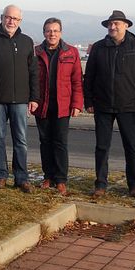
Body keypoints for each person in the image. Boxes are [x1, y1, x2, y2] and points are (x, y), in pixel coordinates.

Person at [83, 10, 135, 198]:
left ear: (126, 25)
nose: (113, 27)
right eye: (110, 24)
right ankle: (101, 184)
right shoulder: (98, 47)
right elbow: (89, 76)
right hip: (102, 105)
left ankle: (134, 185)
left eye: (117, 24)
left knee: (132, 146)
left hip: (128, 106)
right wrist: (88, 100)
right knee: (102, 146)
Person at [0, 5, 39, 193]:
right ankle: (1, 176)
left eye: (15, 19)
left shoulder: (27, 42)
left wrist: (34, 98)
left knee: (20, 140)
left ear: (20, 21)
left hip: (21, 100)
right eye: (8, 17)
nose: (11, 21)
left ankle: (21, 178)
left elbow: (33, 73)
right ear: (1, 17)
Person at [33, 18, 83, 196]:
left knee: (60, 142)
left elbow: (77, 80)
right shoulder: (36, 52)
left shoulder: (71, 52)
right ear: (44, 33)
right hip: (42, 105)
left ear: (60, 32)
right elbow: (31, 79)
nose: (52, 34)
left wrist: (77, 104)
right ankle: (48, 176)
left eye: (55, 30)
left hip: (63, 105)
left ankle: (61, 179)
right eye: (48, 31)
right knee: (45, 142)